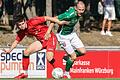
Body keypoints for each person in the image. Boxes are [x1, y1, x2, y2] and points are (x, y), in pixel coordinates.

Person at [2, 15, 68, 79]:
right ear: (17, 25)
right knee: (26, 52)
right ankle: (24, 73)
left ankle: (62, 73)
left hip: (50, 38)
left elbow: (47, 18)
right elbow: (16, 41)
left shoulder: (33, 21)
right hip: (41, 41)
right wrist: (10, 50)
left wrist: (58, 22)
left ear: (25, 21)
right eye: (19, 25)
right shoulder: (22, 31)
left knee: (49, 57)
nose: (22, 26)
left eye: (22, 23)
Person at [45, 1, 86, 79]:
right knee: (73, 57)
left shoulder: (78, 13)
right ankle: (66, 73)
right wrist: (48, 32)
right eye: (79, 9)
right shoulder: (69, 14)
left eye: (83, 10)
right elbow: (54, 19)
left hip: (72, 34)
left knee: (83, 51)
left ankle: (68, 56)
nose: (81, 11)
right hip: (63, 37)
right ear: (76, 8)